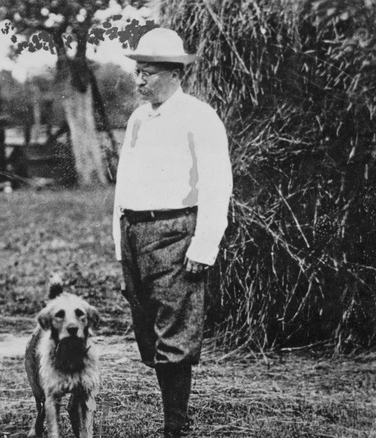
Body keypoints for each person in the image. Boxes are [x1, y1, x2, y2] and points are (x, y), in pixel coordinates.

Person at [112, 27, 233, 437]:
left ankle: (174, 429)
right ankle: (174, 419)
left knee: (174, 336)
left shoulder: (199, 117)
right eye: (137, 72)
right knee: (148, 334)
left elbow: (218, 184)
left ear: (173, 72)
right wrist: (119, 241)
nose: (139, 80)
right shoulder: (137, 119)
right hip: (136, 233)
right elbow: (123, 185)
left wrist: (205, 244)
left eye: (147, 72)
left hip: (175, 234)